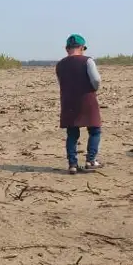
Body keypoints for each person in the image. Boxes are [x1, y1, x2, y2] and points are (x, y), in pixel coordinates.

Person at [55, 34, 102, 175]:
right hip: (87, 98)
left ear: (66, 49)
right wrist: (93, 88)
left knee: (72, 133)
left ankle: (72, 164)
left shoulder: (60, 64)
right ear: (82, 48)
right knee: (95, 129)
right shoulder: (88, 61)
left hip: (68, 101)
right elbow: (96, 79)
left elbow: (60, 82)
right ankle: (91, 160)